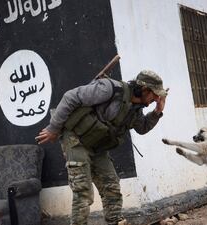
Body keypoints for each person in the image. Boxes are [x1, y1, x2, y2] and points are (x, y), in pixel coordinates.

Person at [36, 70, 168, 225]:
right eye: (155, 94)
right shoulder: (110, 88)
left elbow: (142, 128)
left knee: (111, 186)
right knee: (83, 192)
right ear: (144, 90)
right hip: (75, 139)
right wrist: (53, 128)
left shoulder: (135, 109)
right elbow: (70, 97)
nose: (157, 98)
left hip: (97, 146)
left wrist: (158, 111)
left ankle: (115, 221)